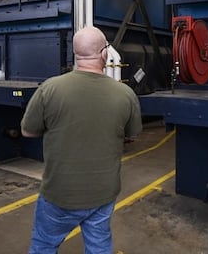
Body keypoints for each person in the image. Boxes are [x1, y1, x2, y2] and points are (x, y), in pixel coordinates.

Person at [21, 26, 142, 254]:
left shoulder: (50, 89)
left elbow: (28, 131)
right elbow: (133, 135)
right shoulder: (125, 94)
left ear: (75, 54)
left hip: (60, 192)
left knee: (44, 245)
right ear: (105, 53)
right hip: (103, 193)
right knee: (99, 246)